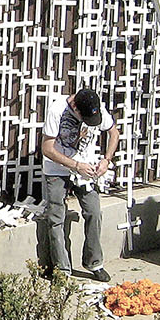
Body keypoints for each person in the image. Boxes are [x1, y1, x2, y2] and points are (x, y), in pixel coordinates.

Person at [40, 88, 120, 283]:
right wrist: (75, 165)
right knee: (56, 216)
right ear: (75, 107)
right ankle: (62, 269)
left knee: (94, 211)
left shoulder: (95, 106)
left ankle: (94, 262)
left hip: (86, 168)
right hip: (57, 168)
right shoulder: (56, 110)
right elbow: (47, 148)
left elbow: (114, 133)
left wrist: (106, 160)